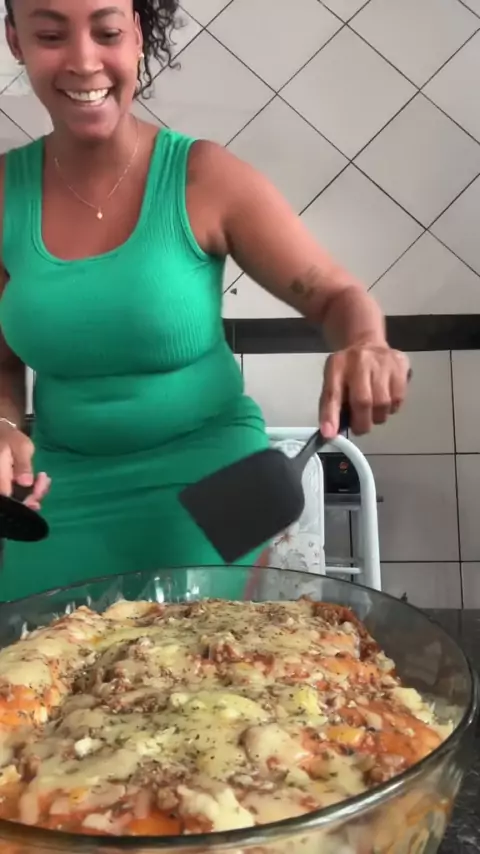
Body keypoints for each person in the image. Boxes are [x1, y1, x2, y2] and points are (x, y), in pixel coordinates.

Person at [0, 0, 410, 602]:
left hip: (215, 489)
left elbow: (335, 294)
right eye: (50, 35)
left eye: (107, 31)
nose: (84, 61)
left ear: (137, 35)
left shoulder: (203, 177)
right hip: (61, 489)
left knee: (189, 654)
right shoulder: (4, 193)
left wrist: (366, 343)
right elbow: (3, 363)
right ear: (16, 41)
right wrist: (4, 426)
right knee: (29, 654)